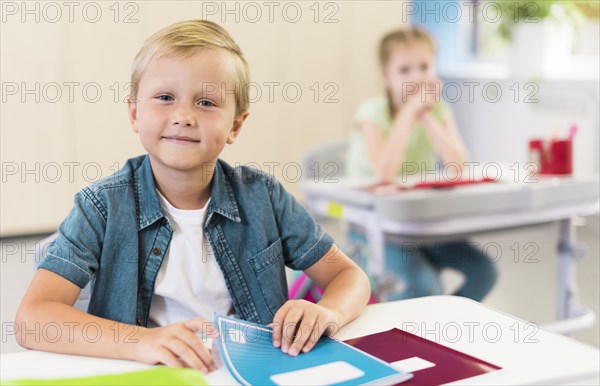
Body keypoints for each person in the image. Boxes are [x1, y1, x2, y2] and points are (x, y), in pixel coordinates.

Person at [15, 20, 370, 374]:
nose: (183, 116)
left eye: (205, 102)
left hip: (251, 370)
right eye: (165, 98)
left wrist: (329, 312)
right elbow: (33, 319)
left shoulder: (264, 197)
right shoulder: (101, 207)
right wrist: (143, 341)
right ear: (135, 113)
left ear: (235, 125)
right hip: (147, 373)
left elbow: (350, 278)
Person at [345, 27, 497, 302]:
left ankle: (444, 327)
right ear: (386, 76)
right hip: (374, 226)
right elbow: (384, 173)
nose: (416, 76)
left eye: (424, 66)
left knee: (484, 272)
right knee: (424, 289)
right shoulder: (371, 113)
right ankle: (420, 333)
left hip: (419, 223)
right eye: (404, 70)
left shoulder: (438, 110)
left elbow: (459, 166)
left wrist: (427, 116)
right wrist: (408, 114)